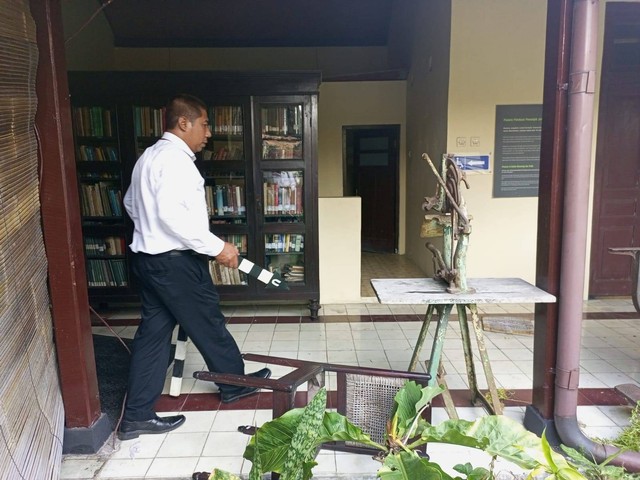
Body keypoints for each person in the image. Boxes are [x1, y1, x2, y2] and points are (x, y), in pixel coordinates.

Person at [118, 94, 271, 441]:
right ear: (183, 123)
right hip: (175, 265)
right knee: (207, 321)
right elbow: (174, 218)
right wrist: (218, 248)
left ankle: (137, 416)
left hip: (151, 261)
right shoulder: (174, 161)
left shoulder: (149, 157)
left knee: (153, 336)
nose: (209, 133)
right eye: (204, 124)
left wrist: (151, 231)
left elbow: (130, 202)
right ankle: (234, 384)